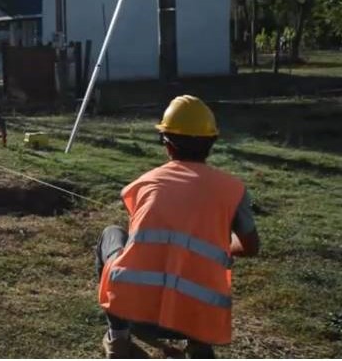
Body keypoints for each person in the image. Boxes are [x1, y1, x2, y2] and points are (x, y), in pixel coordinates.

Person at [96, 95, 260, 359]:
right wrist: (218, 245)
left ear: (167, 144)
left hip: (136, 309)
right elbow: (251, 247)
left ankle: (119, 339)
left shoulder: (145, 183)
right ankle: (198, 347)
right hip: (198, 315)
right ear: (211, 143)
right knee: (199, 273)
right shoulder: (233, 191)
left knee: (112, 234)